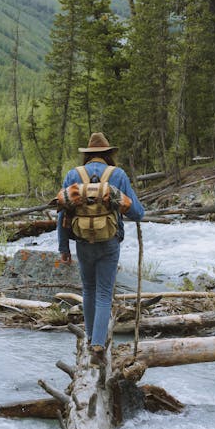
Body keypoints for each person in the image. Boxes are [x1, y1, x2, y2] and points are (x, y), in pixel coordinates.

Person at [56, 132, 145, 363]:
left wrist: (63, 247)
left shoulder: (73, 175)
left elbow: (63, 215)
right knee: (105, 293)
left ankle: (88, 338)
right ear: (107, 154)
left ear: (87, 155)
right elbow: (137, 213)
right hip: (109, 241)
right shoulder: (118, 175)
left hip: (83, 241)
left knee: (88, 289)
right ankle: (98, 345)